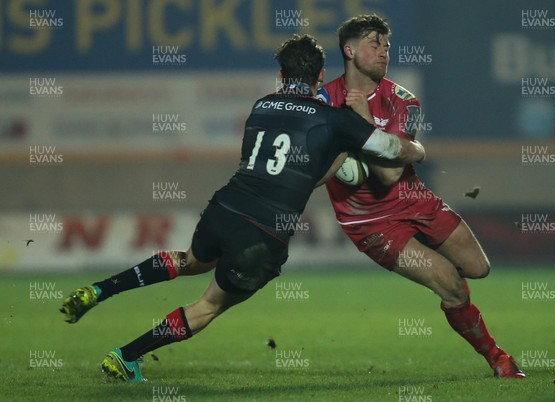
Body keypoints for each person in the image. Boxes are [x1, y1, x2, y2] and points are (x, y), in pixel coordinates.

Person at [60, 34, 425, 382]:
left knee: (190, 260)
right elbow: (389, 150)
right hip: (262, 234)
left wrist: (340, 148)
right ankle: (126, 356)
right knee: (208, 306)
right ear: (320, 76)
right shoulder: (334, 120)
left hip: (226, 207)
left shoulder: (261, 106)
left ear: (281, 75)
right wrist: (416, 150)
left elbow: (284, 169)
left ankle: (100, 290)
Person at [316, 15, 525, 379]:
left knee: (479, 269)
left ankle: (460, 308)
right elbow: (317, 173)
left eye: (387, 46)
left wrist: (362, 128)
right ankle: (498, 358)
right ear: (349, 51)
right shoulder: (321, 102)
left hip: (414, 199)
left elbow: (391, 173)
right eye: (374, 44)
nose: (384, 52)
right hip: (370, 222)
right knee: (452, 285)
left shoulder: (402, 100)